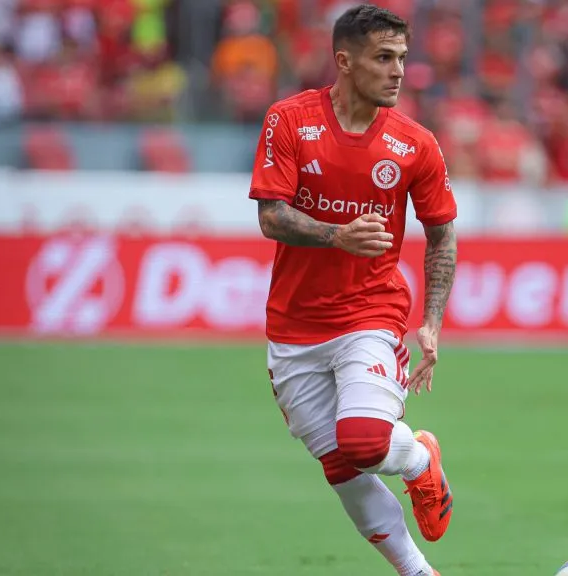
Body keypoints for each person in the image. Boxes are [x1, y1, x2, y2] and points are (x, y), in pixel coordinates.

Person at [247, 5, 458, 576]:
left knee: (364, 442)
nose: (398, 71)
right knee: (342, 468)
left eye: (402, 58)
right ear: (344, 61)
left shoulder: (415, 144)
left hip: (371, 312)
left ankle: (418, 458)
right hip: (293, 325)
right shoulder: (290, 121)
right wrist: (336, 235)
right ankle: (418, 571)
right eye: (383, 58)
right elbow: (271, 216)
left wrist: (432, 322)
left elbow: (442, 234)